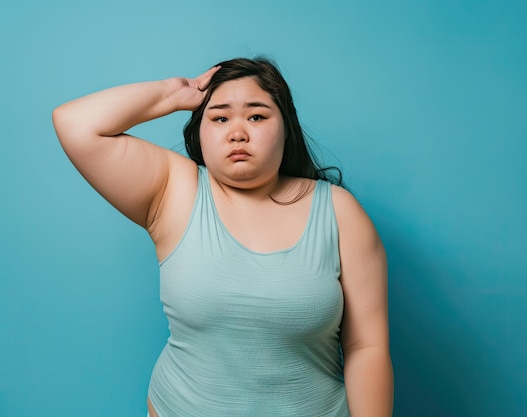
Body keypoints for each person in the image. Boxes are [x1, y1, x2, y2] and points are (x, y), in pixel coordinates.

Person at [52, 57, 393, 417]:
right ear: (199, 128)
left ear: (286, 127)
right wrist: (174, 93)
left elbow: (365, 346)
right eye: (220, 117)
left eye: (257, 116)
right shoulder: (174, 190)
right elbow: (75, 123)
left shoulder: (339, 211)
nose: (238, 132)